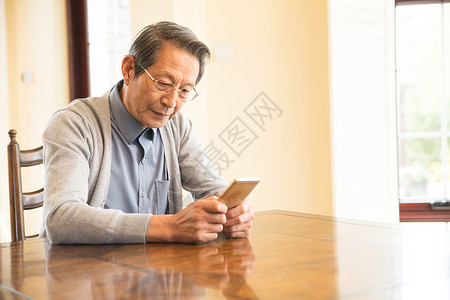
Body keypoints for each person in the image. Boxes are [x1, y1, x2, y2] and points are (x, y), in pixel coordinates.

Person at [41, 21, 254, 244]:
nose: (171, 103)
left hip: (160, 272)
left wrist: (235, 212)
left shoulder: (177, 126)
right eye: (163, 83)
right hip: (86, 272)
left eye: (184, 91)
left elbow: (213, 189)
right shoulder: (73, 124)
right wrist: (170, 227)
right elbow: (61, 218)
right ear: (129, 69)